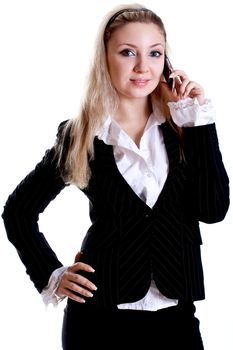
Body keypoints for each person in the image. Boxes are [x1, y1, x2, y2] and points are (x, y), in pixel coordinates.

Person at [2, 3, 230, 350]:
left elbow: (213, 210)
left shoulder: (183, 126)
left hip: (176, 319)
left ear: (166, 62)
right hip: (98, 320)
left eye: (155, 53)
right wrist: (52, 274)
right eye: (127, 53)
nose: (143, 67)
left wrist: (197, 121)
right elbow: (18, 211)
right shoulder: (80, 135)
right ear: (104, 59)